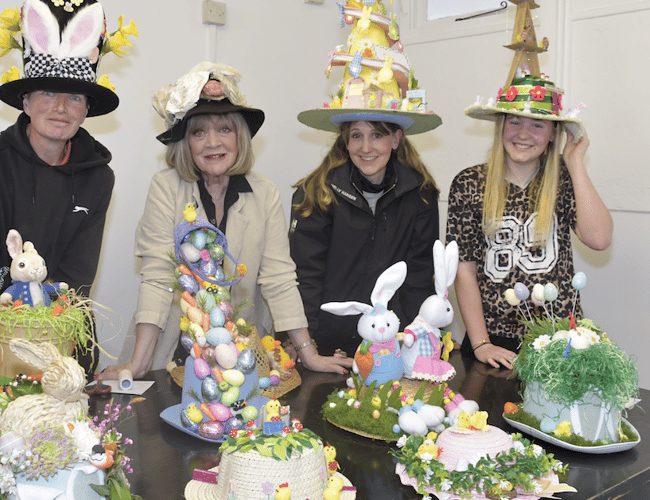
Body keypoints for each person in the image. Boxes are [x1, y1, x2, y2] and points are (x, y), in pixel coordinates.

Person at [0, 0, 136, 408]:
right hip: (0, 362)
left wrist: (71, 369)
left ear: (88, 109)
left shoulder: (98, 176)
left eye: (74, 97)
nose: (61, 107)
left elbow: (77, 279)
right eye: (48, 92)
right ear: (25, 101)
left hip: (71, 364)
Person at [98, 62, 352, 380]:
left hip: (243, 352)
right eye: (199, 132)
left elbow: (279, 278)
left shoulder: (265, 193)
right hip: (174, 350)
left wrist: (309, 354)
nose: (213, 142)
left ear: (240, 137)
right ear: (185, 143)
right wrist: (138, 364)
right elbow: (158, 278)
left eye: (224, 129)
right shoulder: (165, 187)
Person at [447, 76, 612, 370]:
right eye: (514, 122)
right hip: (493, 339)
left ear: (553, 133)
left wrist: (574, 163)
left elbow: (599, 239)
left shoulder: (565, 178)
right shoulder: (469, 183)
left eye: (537, 125)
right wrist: (481, 342)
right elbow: (464, 270)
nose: (523, 134)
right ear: (500, 127)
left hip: (558, 338)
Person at [289, 117, 441, 359]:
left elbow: (419, 275)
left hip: (392, 341)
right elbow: (305, 275)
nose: (366, 148)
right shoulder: (316, 192)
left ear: (395, 139)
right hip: (326, 345)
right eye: (357, 135)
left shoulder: (420, 193)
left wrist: (420, 336)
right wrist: (304, 344)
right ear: (345, 141)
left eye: (377, 135)